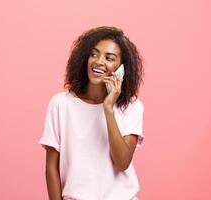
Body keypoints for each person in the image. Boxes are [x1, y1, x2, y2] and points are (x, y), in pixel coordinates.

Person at [39, 26, 145, 200]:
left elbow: (122, 162)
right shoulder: (60, 104)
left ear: (122, 69)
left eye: (109, 58)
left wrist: (108, 108)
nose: (98, 61)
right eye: (94, 54)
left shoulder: (132, 107)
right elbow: (52, 167)